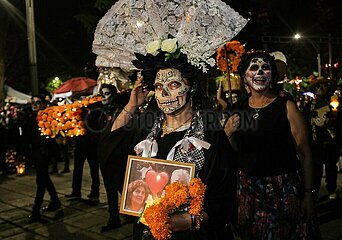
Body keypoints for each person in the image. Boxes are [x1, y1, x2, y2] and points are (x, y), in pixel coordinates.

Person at [104, 44, 237, 239]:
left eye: (173, 85)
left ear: (191, 88)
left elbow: (225, 194)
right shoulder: (146, 129)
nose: (164, 93)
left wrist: (191, 220)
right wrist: (132, 105)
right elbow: (110, 145)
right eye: (158, 87)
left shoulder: (209, 135)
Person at [224, 51, 318, 239]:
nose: (259, 73)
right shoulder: (238, 109)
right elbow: (235, 151)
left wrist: (308, 194)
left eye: (265, 68)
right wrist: (227, 134)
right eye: (254, 68)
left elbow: (305, 153)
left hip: (282, 190)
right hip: (249, 191)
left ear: (272, 75)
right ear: (244, 76)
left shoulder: (286, 106)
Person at [27, 95, 62, 223]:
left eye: (37, 102)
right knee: (44, 179)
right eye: (33, 103)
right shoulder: (31, 118)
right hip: (36, 153)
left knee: (41, 181)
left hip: (45, 153)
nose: (34, 105)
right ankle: (56, 201)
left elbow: (55, 133)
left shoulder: (47, 117)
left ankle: (36, 210)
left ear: (42, 104)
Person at [305, 79, 341, 200]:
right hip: (316, 142)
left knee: (331, 167)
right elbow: (304, 122)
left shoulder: (334, 102)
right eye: (317, 86)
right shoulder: (310, 105)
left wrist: (335, 117)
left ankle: (332, 189)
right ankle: (314, 192)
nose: (320, 88)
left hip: (331, 141)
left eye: (323, 86)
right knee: (316, 169)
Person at [97, 84, 125, 232]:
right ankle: (114, 217)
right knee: (110, 188)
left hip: (117, 157)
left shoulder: (120, 111)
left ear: (113, 95)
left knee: (122, 186)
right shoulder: (101, 112)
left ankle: (127, 213)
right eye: (101, 94)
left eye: (106, 94)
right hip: (105, 156)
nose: (103, 97)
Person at [65, 98, 101, 202]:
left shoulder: (96, 110)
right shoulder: (78, 110)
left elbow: (96, 127)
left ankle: (95, 193)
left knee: (94, 169)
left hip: (92, 144)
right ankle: (76, 192)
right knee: (77, 169)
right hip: (80, 143)